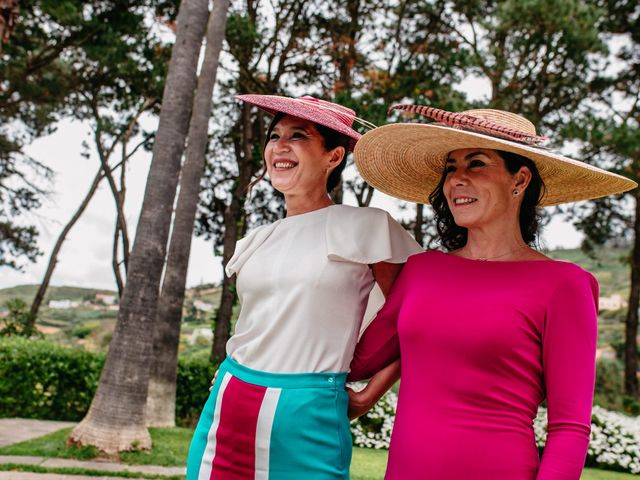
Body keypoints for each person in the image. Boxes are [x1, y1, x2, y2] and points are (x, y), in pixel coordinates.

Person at [346, 105, 638, 479]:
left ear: (519, 180)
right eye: (451, 168)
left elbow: (570, 428)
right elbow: (357, 360)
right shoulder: (422, 270)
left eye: (476, 163)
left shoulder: (564, 286)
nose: (457, 180)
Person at [185, 94, 423, 480]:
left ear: (333, 156)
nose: (280, 145)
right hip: (229, 404)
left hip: (309, 410)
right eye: (275, 135)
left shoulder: (368, 228)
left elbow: (414, 322)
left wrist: (367, 397)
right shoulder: (257, 239)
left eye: (298, 136)